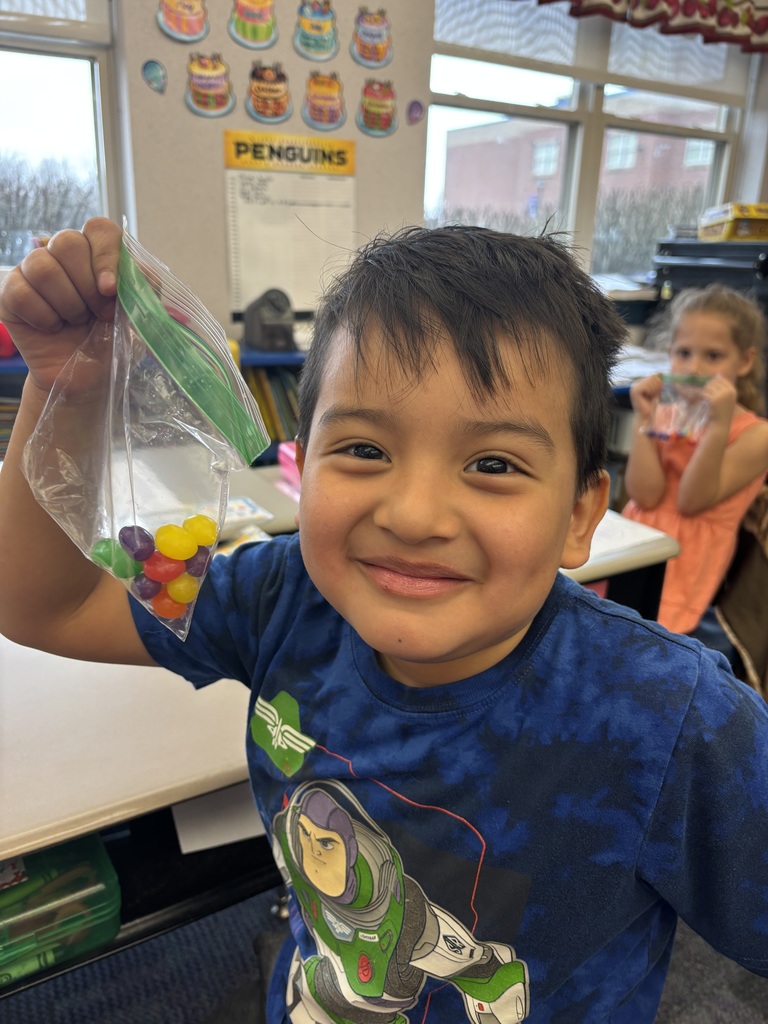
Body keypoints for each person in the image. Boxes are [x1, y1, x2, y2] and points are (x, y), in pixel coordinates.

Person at [1, 220, 768, 1024]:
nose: (413, 513)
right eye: (364, 449)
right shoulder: (283, 596)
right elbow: (47, 606)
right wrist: (69, 394)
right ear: (304, 467)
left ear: (580, 515)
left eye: (493, 464)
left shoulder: (667, 718)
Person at [622, 285, 768, 661]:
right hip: (639, 537)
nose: (694, 369)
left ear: (745, 361)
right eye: (683, 354)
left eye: (713, 356)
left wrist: (716, 428)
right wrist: (644, 419)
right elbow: (644, 494)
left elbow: (691, 501)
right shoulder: (670, 414)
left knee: (651, 649)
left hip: (688, 558)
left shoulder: (757, 435)